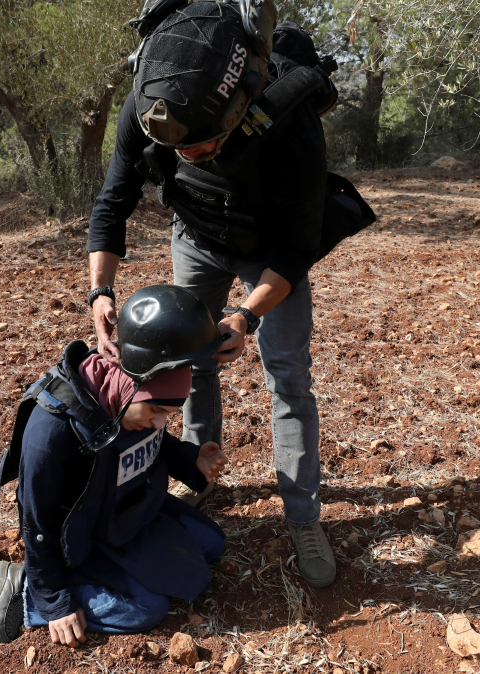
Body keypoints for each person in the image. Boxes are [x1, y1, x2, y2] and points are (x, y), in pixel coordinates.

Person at [86, 0, 337, 588]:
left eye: (199, 146)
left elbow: (298, 250)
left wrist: (245, 317)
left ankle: (302, 515)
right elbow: (113, 202)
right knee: (191, 365)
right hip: (196, 235)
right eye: (178, 149)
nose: (185, 155)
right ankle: (203, 477)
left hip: (269, 250)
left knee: (288, 376)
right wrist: (100, 291)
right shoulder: (151, 106)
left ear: (241, 108)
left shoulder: (292, 127)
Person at [0, 285, 231, 646]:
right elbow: (36, 518)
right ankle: (26, 591)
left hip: (126, 507)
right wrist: (54, 599)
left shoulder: (126, 398)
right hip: (84, 531)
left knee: (212, 544)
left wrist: (189, 458)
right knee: (148, 608)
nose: (160, 422)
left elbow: (152, 441)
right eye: (156, 411)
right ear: (131, 382)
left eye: (168, 413)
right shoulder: (53, 431)